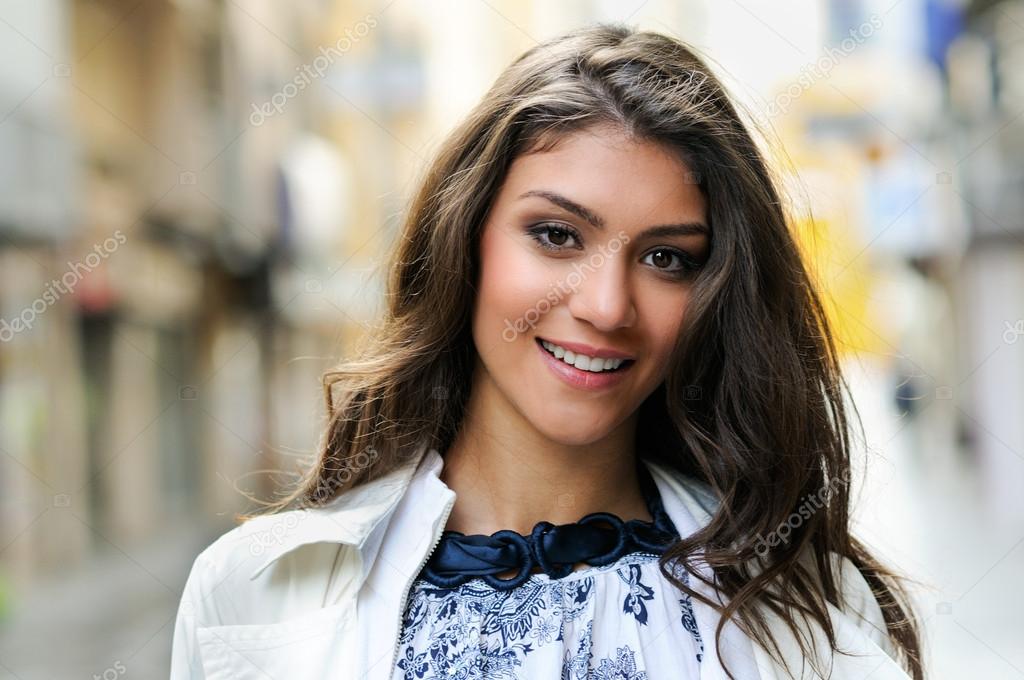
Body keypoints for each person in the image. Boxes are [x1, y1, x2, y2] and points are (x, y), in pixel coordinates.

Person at [170, 23, 924, 680]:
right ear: (466, 241)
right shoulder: (254, 593)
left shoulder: (808, 608)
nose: (606, 307)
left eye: (668, 259)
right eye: (557, 236)